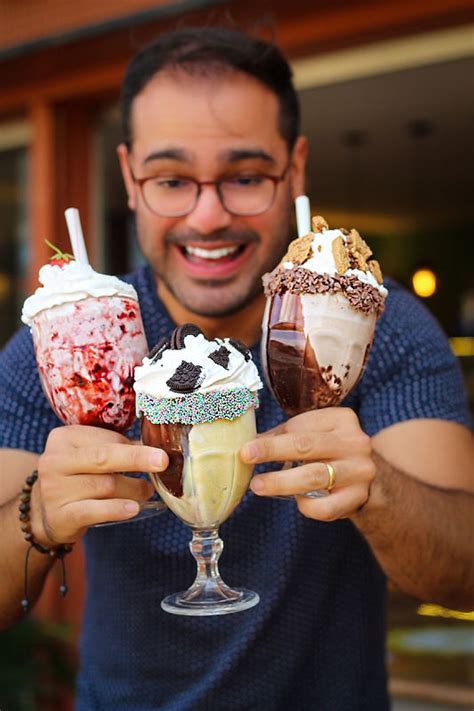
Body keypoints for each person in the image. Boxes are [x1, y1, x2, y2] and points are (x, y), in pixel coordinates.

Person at [0, 26, 473, 711]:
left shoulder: (380, 326)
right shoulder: (74, 347)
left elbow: (463, 576)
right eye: (171, 180)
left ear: (296, 169)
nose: (209, 214)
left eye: (246, 177)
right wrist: (37, 515)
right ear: (131, 178)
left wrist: (382, 491)